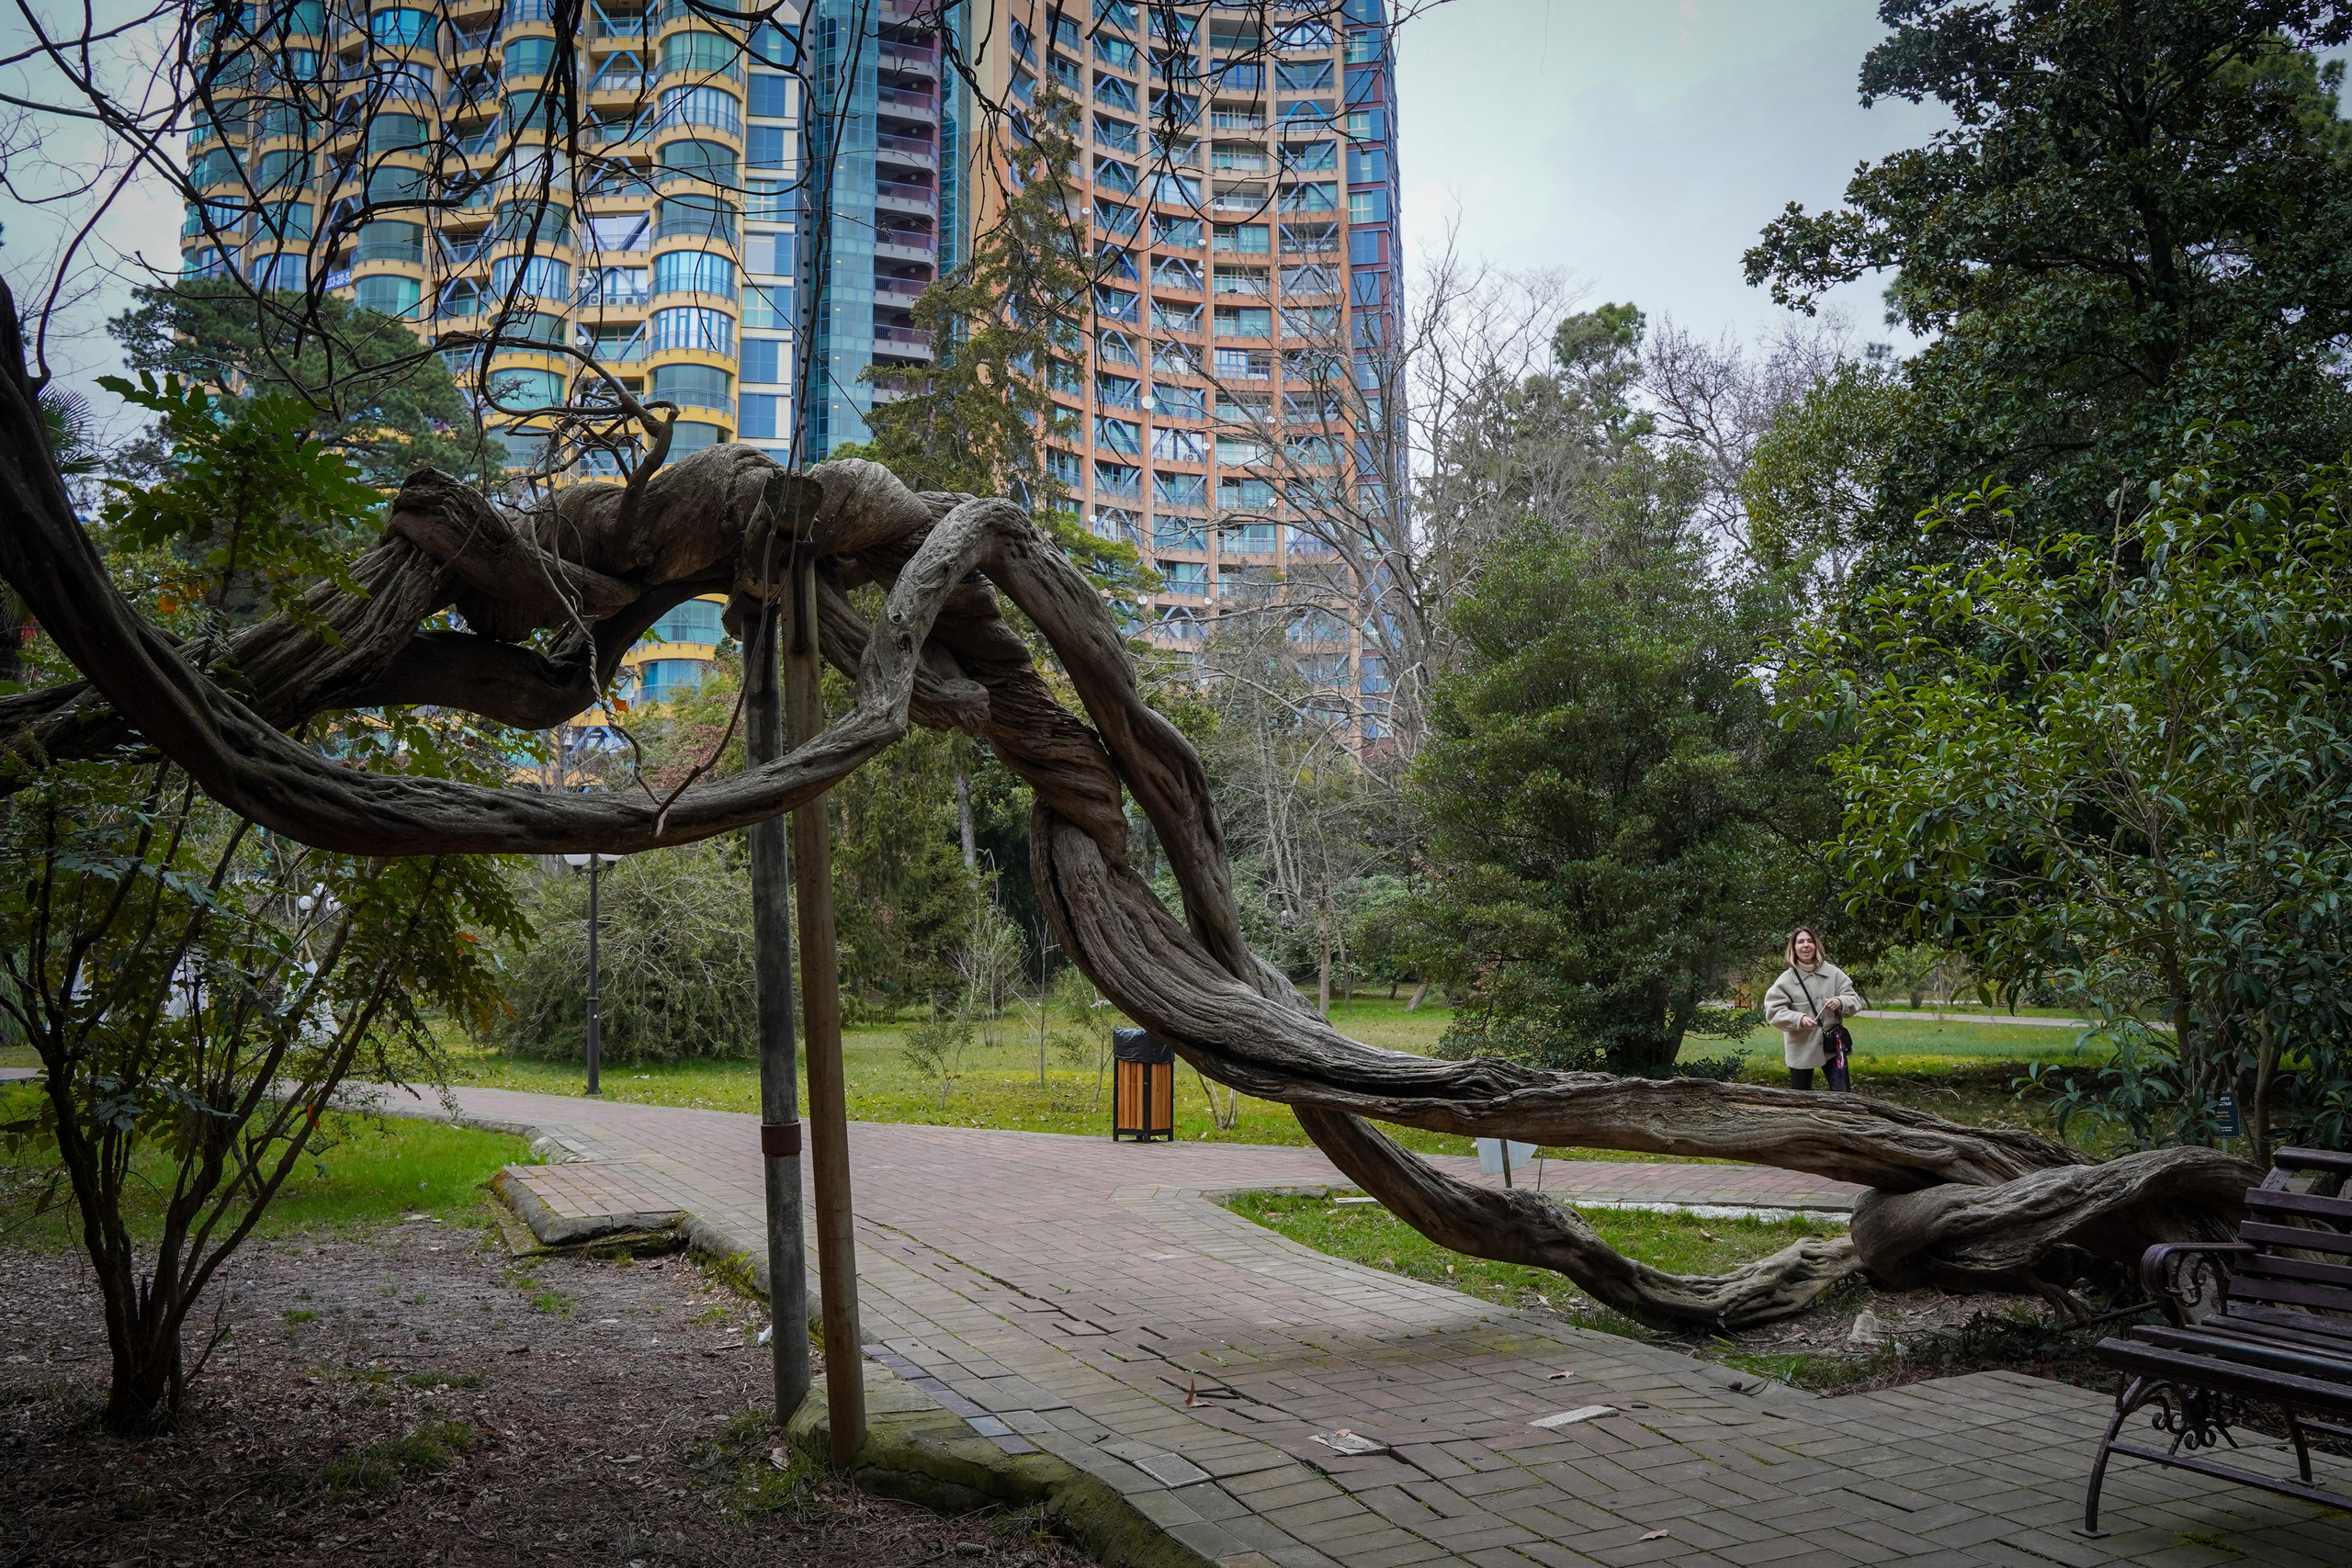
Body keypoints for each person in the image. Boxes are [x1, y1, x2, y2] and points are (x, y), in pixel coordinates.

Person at [1764, 926, 1863, 1090]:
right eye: (1801, 942)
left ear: (1816, 946)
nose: (1806, 945)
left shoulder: (1834, 974)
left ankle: (1841, 1117)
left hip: (1833, 1046)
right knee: (1800, 1099)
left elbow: (1854, 999)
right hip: (1800, 1049)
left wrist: (1840, 1001)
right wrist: (1799, 1019)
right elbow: (1773, 1011)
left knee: (1844, 1095)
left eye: (1810, 941)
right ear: (1794, 948)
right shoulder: (1785, 980)